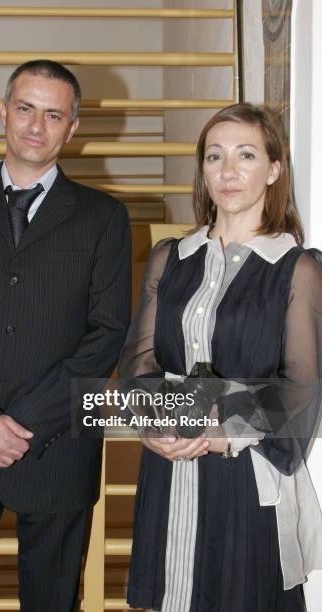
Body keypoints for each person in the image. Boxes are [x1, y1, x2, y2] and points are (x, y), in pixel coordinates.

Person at [0, 60, 131, 611]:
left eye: (53, 114)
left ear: (72, 127)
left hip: (56, 452)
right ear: (3, 112)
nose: (37, 125)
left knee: (52, 604)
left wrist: (26, 424)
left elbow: (107, 334)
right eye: (26, 108)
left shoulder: (104, 217)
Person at [118, 103, 322, 612]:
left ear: (274, 170)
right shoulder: (171, 256)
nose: (228, 171)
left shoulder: (296, 269)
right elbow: (138, 363)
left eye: (246, 155)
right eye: (215, 156)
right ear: (202, 170)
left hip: (246, 475)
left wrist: (216, 422)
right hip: (169, 467)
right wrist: (152, 423)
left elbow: (301, 390)